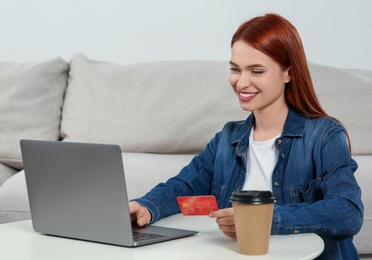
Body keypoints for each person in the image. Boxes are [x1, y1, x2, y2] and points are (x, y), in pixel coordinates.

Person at [129, 13, 363, 259]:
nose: (241, 82)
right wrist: (146, 205)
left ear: (289, 73)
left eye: (257, 71)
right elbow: (183, 186)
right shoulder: (227, 139)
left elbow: (348, 211)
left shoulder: (325, 136)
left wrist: (262, 219)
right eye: (235, 69)